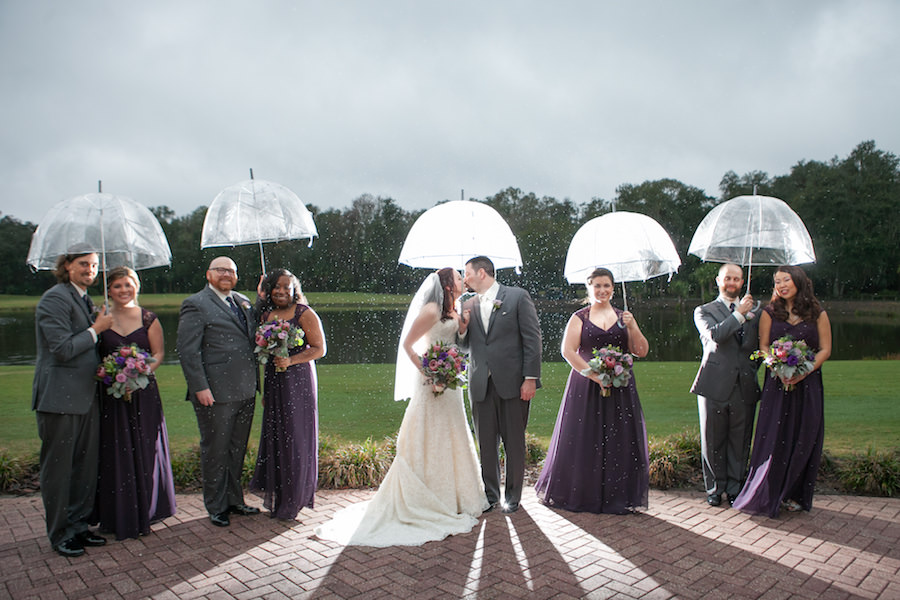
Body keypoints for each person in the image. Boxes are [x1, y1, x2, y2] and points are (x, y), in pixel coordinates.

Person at [315, 268, 488, 546]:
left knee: (453, 434)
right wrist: (428, 371)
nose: (462, 281)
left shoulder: (454, 309)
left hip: (451, 387)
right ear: (446, 285)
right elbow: (408, 344)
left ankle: (455, 496)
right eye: (458, 277)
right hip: (431, 384)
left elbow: (456, 344)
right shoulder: (431, 309)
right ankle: (426, 496)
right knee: (429, 437)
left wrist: (463, 328)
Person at [535, 268, 650, 513]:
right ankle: (582, 492)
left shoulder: (624, 317)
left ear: (613, 288)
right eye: (597, 286)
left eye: (606, 285)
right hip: (585, 385)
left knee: (618, 438)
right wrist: (594, 376)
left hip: (620, 386)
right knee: (584, 437)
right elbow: (568, 352)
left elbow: (641, 351)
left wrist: (634, 326)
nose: (602, 290)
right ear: (589, 288)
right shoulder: (580, 317)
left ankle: (616, 494)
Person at [733, 265, 832, 517]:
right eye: (777, 281)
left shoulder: (817, 313)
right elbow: (764, 346)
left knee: (804, 435)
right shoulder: (769, 312)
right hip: (777, 384)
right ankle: (767, 490)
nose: (781, 285)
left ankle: (795, 493)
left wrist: (804, 371)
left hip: (808, 384)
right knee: (773, 435)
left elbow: (825, 349)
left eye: (786, 280)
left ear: (798, 281)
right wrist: (777, 368)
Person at [32, 251, 114, 557]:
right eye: (83, 264)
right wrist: (97, 329)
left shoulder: (84, 299)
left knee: (84, 467)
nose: (90, 270)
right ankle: (60, 534)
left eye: (94, 265)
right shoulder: (54, 299)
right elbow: (63, 349)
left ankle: (80, 527)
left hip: (86, 395)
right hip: (59, 398)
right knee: (59, 470)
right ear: (67, 266)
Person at [92, 266, 176, 539]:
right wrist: (113, 375)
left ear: (136, 286)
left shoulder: (148, 318)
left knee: (144, 448)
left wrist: (141, 373)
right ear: (109, 290)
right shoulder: (100, 318)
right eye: (117, 286)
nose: (123, 290)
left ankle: (147, 508)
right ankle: (118, 512)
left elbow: (159, 352)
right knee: (115, 450)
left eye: (128, 284)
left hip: (144, 394)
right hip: (112, 397)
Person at [176, 256, 260, 527]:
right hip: (215, 393)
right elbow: (189, 351)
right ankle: (216, 505)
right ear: (208, 274)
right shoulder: (196, 304)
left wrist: (261, 298)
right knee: (216, 449)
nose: (227, 274)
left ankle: (235, 500)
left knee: (237, 449)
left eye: (232, 271)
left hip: (246, 389)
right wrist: (200, 387)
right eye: (221, 269)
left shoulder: (242, 301)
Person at [459, 256, 542, 514]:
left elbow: (532, 339)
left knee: (514, 441)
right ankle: (491, 496)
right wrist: (461, 329)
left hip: (514, 383)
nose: (465, 279)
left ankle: (513, 498)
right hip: (480, 384)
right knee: (486, 442)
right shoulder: (467, 304)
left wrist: (530, 378)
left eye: (467, 273)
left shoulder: (517, 297)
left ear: (481, 273)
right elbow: (465, 345)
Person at [249, 269, 326, 520]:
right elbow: (263, 355)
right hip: (274, 380)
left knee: (296, 436)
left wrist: (291, 360)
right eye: (276, 287)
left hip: (298, 380)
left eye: (287, 287)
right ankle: (280, 496)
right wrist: (263, 389)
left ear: (295, 289)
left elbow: (319, 349)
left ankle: (294, 499)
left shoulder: (304, 313)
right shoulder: (265, 315)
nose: (281, 291)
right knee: (277, 436)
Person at [690, 263, 763, 507]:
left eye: (736, 279)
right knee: (712, 439)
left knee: (740, 441)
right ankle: (714, 488)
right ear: (718, 281)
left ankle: (735, 488)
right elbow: (717, 336)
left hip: (744, 385)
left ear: (743, 282)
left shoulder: (758, 311)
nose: (732, 283)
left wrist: (751, 370)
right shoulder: (704, 310)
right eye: (727, 278)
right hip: (714, 384)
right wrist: (739, 314)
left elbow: (758, 349)